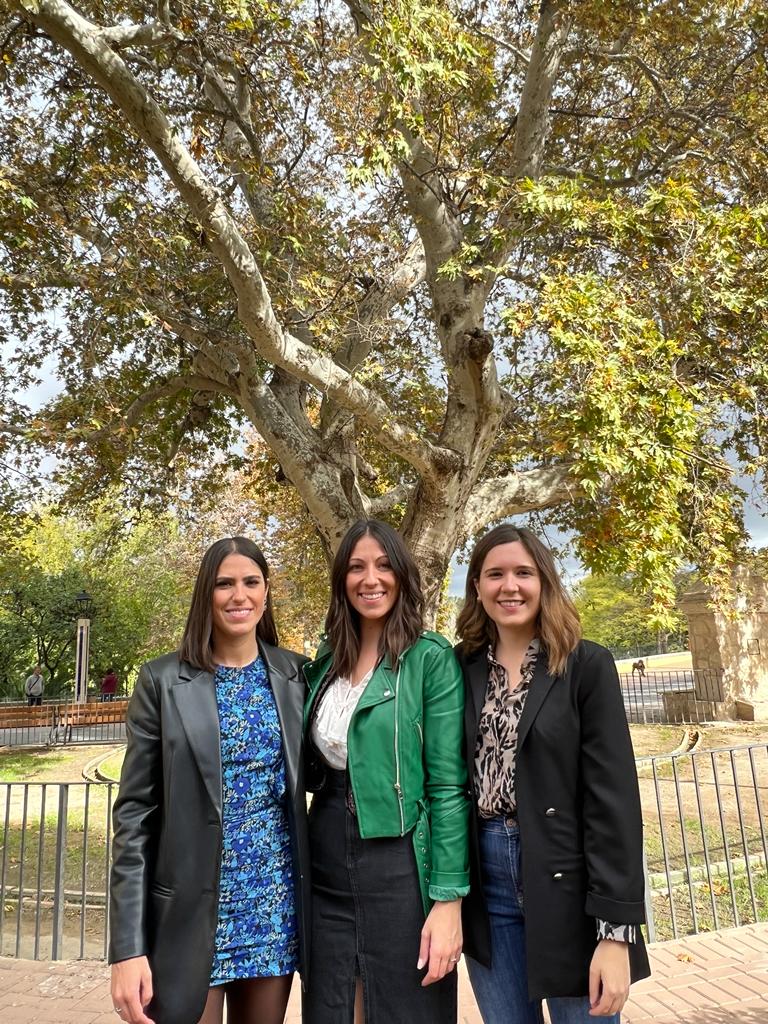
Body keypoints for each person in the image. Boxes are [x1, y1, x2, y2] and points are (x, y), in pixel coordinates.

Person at [109, 537, 310, 1024]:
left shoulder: (297, 675)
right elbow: (134, 818)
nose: (238, 595)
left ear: (265, 593)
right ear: (207, 593)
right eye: (224, 583)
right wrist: (127, 948)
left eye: (250, 582)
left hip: (272, 905)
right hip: (187, 913)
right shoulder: (162, 681)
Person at [455, 525, 651, 1024]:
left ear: (544, 581)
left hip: (569, 884)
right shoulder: (461, 668)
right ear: (477, 586)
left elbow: (614, 803)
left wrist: (615, 935)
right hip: (487, 884)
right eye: (494, 574)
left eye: (523, 572)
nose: (510, 586)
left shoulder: (586, 665)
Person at [303, 519, 469, 1024]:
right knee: (331, 1005)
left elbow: (447, 787)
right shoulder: (327, 657)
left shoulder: (428, 658)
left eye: (382, 565)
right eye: (356, 567)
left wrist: (448, 900)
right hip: (325, 854)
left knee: (406, 1006)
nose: (369, 579)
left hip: (399, 860)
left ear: (401, 575)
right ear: (342, 580)